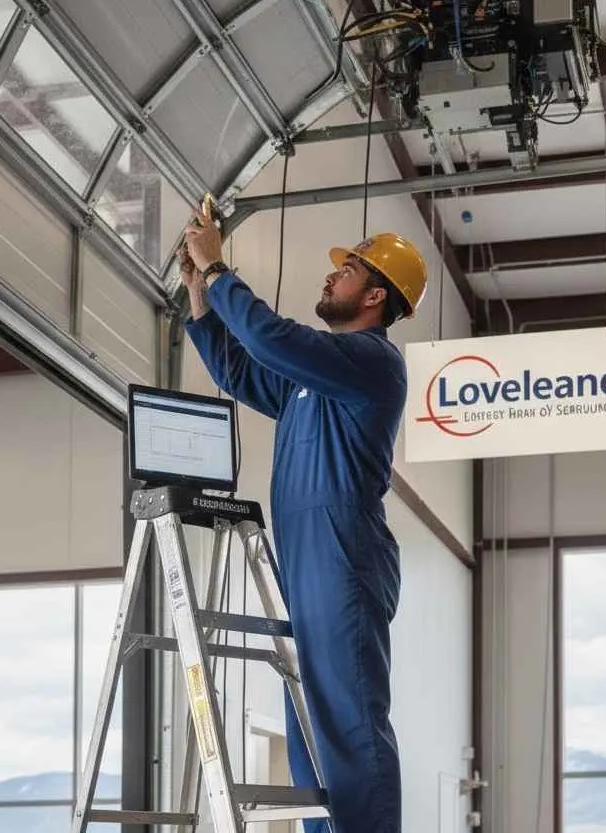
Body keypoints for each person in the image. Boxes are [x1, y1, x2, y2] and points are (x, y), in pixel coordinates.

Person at [180, 210, 428, 833]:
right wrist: (199, 298)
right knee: (312, 723)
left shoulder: (371, 363)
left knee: (348, 720)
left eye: (345, 271)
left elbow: (273, 340)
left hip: (344, 555)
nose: (330, 276)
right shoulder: (309, 383)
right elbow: (241, 370)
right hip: (306, 555)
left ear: (375, 296)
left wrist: (217, 267)